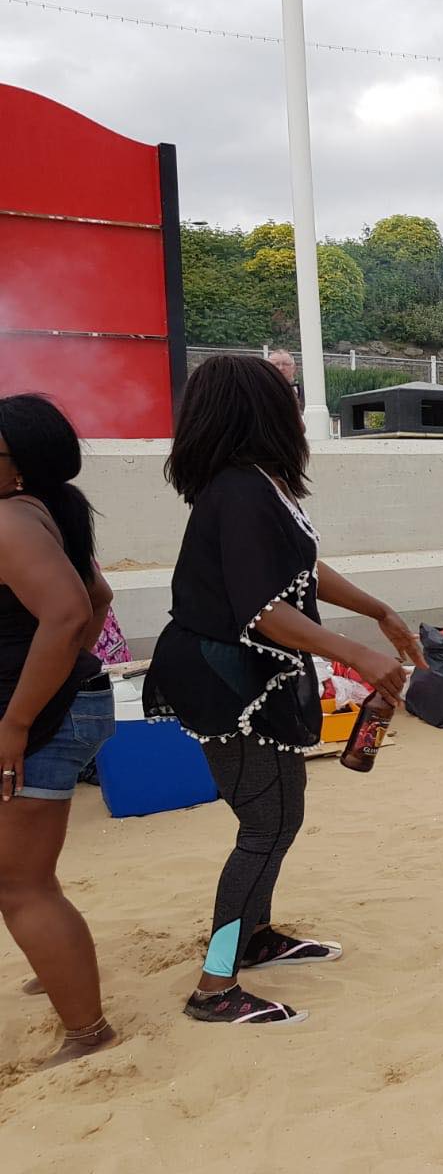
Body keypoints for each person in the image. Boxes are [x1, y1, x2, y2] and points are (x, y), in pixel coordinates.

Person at [143, 355, 426, 1027]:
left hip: (247, 672)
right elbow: (260, 610)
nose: (296, 403)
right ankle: (216, 983)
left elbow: (300, 566)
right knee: (264, 826)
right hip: (225, 676)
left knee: (281, 813)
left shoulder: (256, 485)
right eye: (286, 395)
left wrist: (377, 610)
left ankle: (255, 936)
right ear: (259, 412)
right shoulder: (239, 489)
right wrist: (359, 655)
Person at [0, 395, 119, 1068]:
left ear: (18, 464)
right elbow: (96, 597)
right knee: (26, 878)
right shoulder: (48, 511)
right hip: (66, 703)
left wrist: (18, 721)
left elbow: (72, 608)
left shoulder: (10, 522)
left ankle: (87, 1032)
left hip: (41, 717)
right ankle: (58, 967)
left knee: (19, 885)